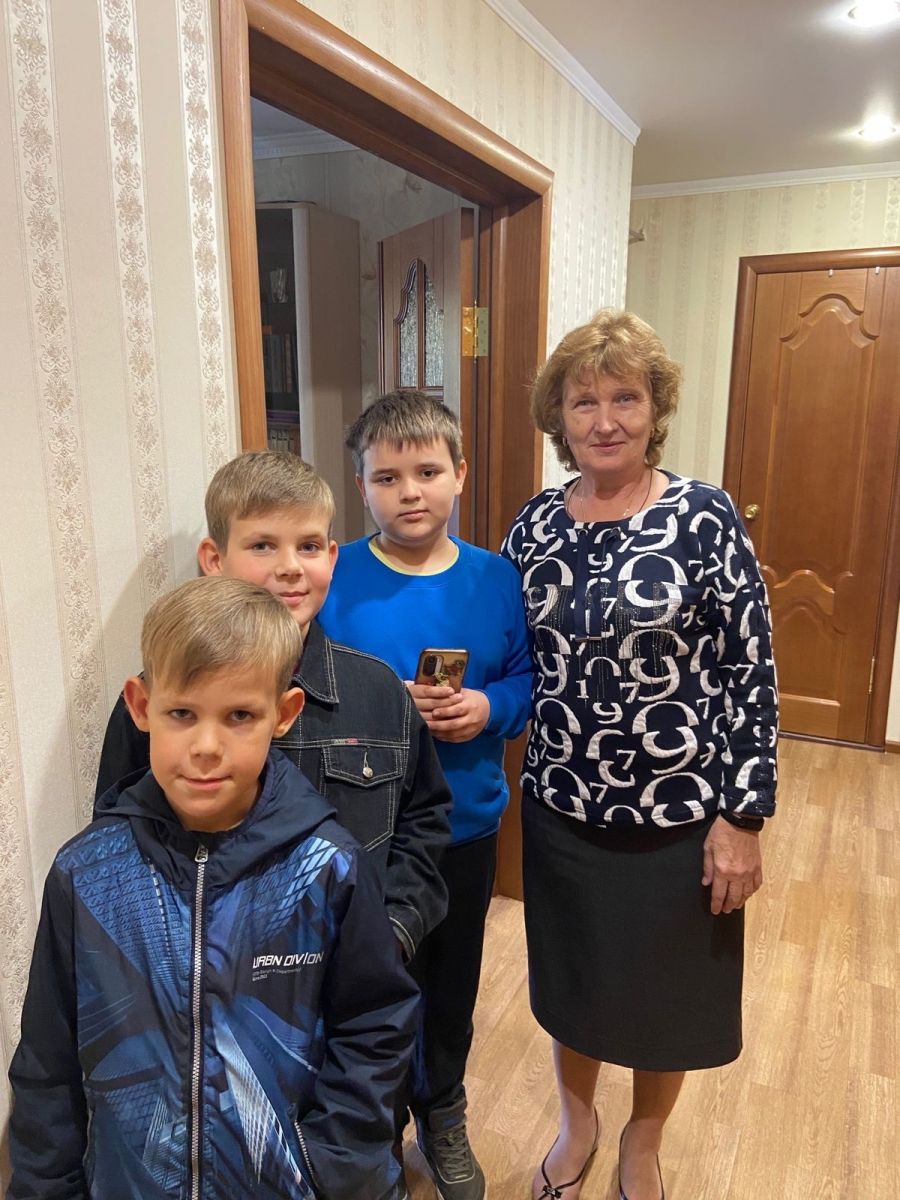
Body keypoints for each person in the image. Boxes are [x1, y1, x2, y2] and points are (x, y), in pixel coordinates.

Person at [8, 576, 418, 1200]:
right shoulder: (85, 874)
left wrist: (327, 1164)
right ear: (141, 707)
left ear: (284, 714)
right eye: (182, 714)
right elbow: (47, 1060)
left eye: (239, 716)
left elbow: (375, 1024)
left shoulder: (328, 867)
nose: (206, 747)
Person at [500, 310, 778, 1200]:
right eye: (584, 401)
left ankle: (643, 1142)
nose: (605, 419)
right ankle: (577, 1125)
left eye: (625, 397)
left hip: (679, 816)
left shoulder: (703, 516)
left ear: (654, 407)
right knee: (574, 983)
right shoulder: (534, 526)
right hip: (561, 808)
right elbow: (505, 651)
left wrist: (743, 817)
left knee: (671, 1000)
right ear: (559, 416)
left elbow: (750, 670)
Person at [94, 451, 452, 965]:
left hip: (348, 970)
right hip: (203, 983)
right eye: (262, 545)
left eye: (308, 546)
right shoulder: (163, 703)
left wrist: (392, 932)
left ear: (331, 557)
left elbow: (425, 822)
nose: (289, 567)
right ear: (214, 560)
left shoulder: (380, 691)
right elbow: (115, 841)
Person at [319, 391, 532, 1200]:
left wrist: (487, 707)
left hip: (464, 826)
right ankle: (368, 1125)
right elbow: (301, 684)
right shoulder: (333, 575)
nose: (409, 491)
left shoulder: (495, 578)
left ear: (460, 475)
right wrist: (378, 710)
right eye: (387, 477)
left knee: (450, 984)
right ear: (361, 486)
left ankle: (442, 1107)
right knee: (361, 985)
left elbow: (526, 680)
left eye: (428, 472)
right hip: (355, 832)